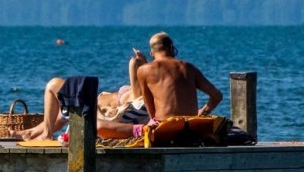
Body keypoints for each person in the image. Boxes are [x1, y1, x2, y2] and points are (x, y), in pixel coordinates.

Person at [16, 75, 145, 142]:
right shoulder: (143, 94)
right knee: (62, 114)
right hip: (94, 106)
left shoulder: (138, 96)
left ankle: (46, 134)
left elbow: (134, 90)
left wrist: (134, 63)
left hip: (94, 111)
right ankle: (31, 132)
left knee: (53, 84)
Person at [128, 31, 222, 121]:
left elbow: (149, 105)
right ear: (172, 48)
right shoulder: (188, 68)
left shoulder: (144, 70)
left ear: (151, 53)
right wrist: (203, 112)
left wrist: (154, 122)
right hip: (190, 126)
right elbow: (217, 95)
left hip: (165, 128)